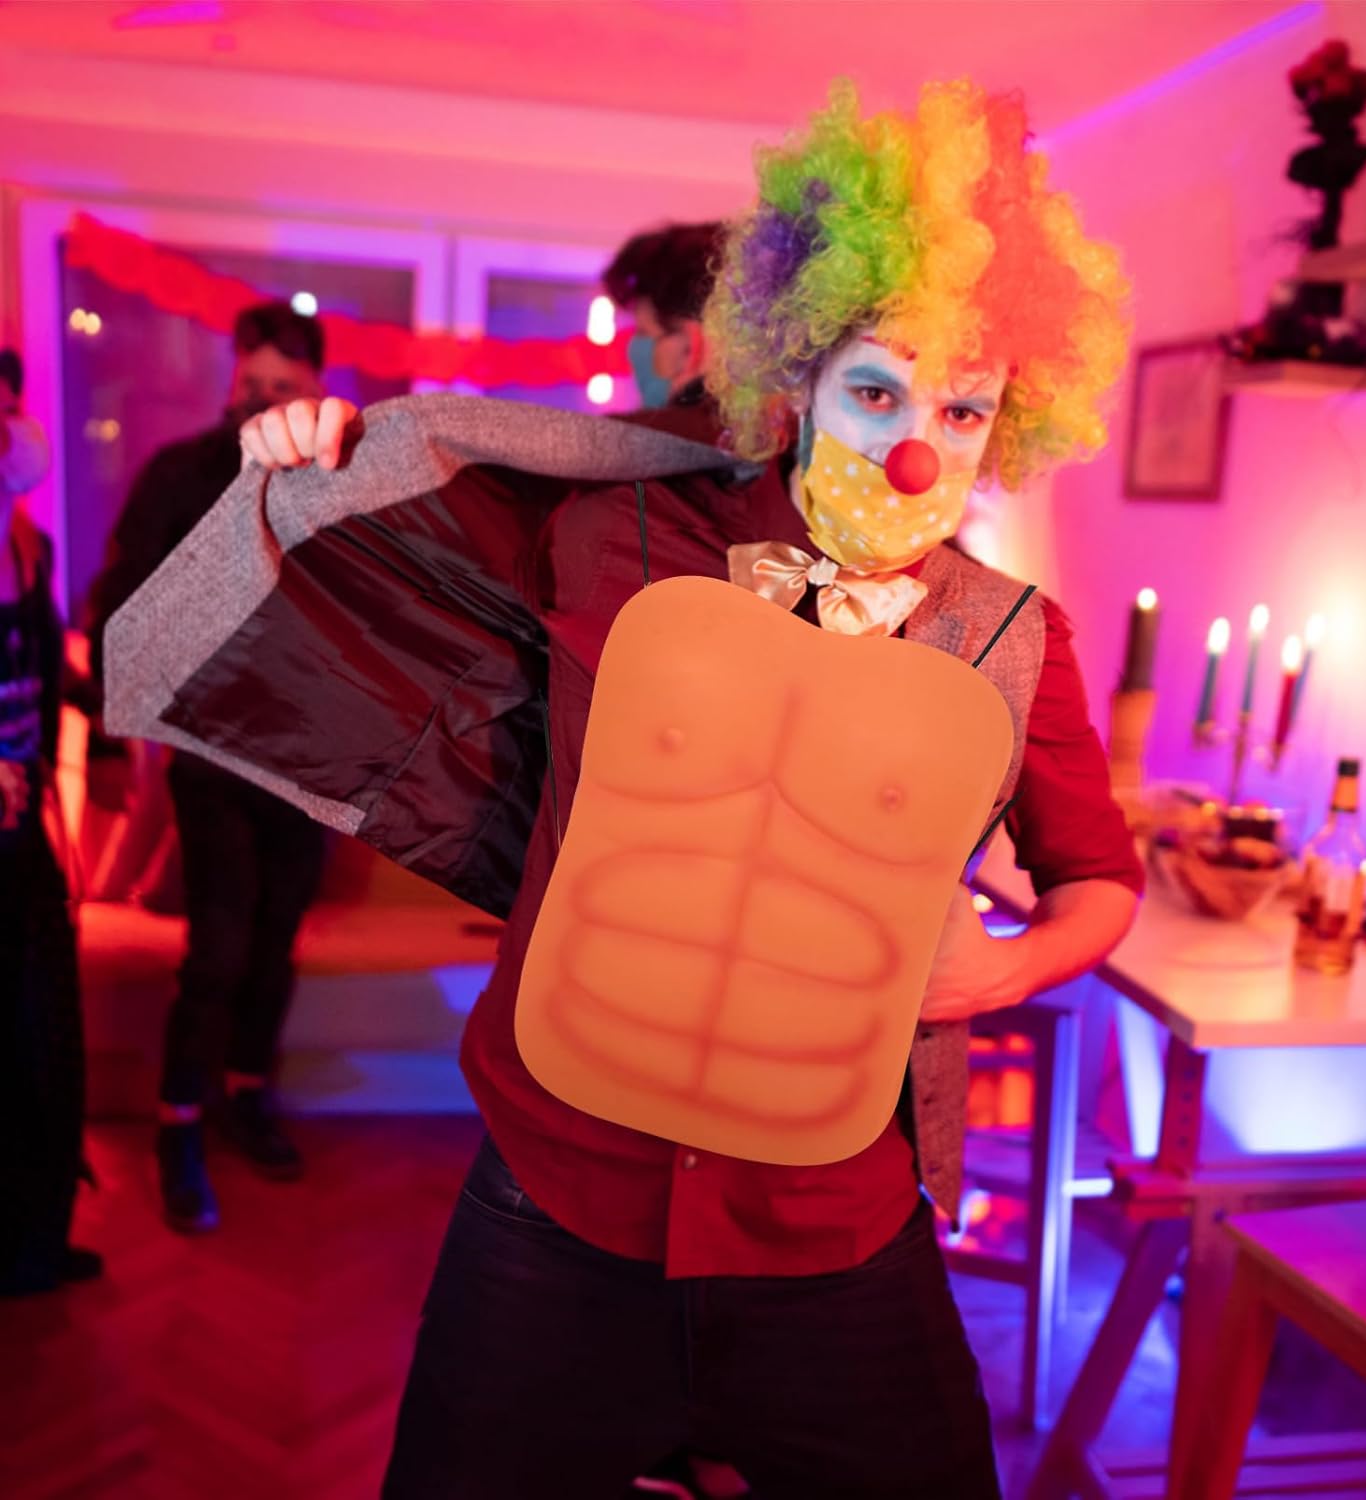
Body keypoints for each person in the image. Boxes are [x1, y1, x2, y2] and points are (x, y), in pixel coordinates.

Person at [108, 79, 1140, 1497]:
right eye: (878, 390)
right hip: (558, 1193)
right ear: (797, 378)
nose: (920, 445)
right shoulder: (614, 529)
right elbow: (407, 526)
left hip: (832, 1222)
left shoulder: (1014, 641)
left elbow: (1102, 883)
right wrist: (325, 456)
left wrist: (1002, 969)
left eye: (965, 410)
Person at [88, 303, 330, 1234]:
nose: (262, 402)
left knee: (274, 943)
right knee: (220, 947)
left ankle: (247, 1095)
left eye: (283, 388)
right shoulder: (181, 473)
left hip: (309, 757)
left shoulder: (336, 481)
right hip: (213, 747)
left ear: (314, 390)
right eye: (251, 385)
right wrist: (124, 721)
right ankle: (179, 1124)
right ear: (233, 380)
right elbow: (121, 600)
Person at [0, 349, 101, 1297]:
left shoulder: (31, 548)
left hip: (24, 835)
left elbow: (49, 670)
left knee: (43, 1036)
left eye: (8, 407)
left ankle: (35, 1238)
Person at [603, 220, 724, 422]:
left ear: (690, 348)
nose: (632, 350)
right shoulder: (772, 432)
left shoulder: (631, 436)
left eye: (643, 332)